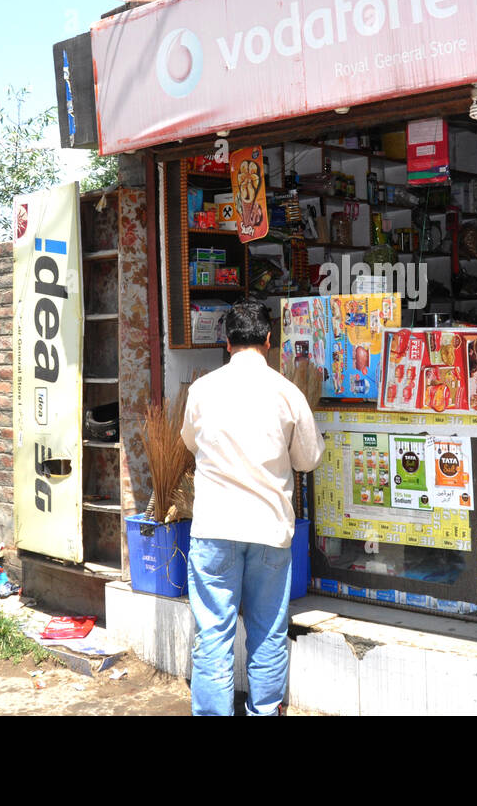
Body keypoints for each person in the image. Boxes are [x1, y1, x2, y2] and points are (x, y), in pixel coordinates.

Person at [180, 298, 324, 716]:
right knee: (267, 633)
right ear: (268, 340)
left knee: (213, 635)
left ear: (227, 343)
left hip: (215, 531)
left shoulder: (202, 390)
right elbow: (309, 459)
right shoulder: (287, 393)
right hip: (268, 532)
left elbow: (190, 442)